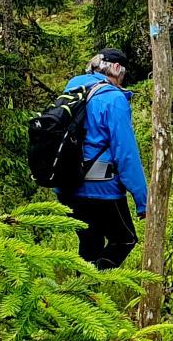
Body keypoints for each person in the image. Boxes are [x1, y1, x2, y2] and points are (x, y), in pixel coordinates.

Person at [56, 48, 147, 268]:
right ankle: (90, 284)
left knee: (90, 242)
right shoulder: (113, 99)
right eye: (123, 75)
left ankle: (81, 297)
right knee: (125, 239)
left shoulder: (72, 89)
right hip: (101, 188)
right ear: (116, 68)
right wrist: (143, 201)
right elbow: (126, 154)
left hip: (67, 186)